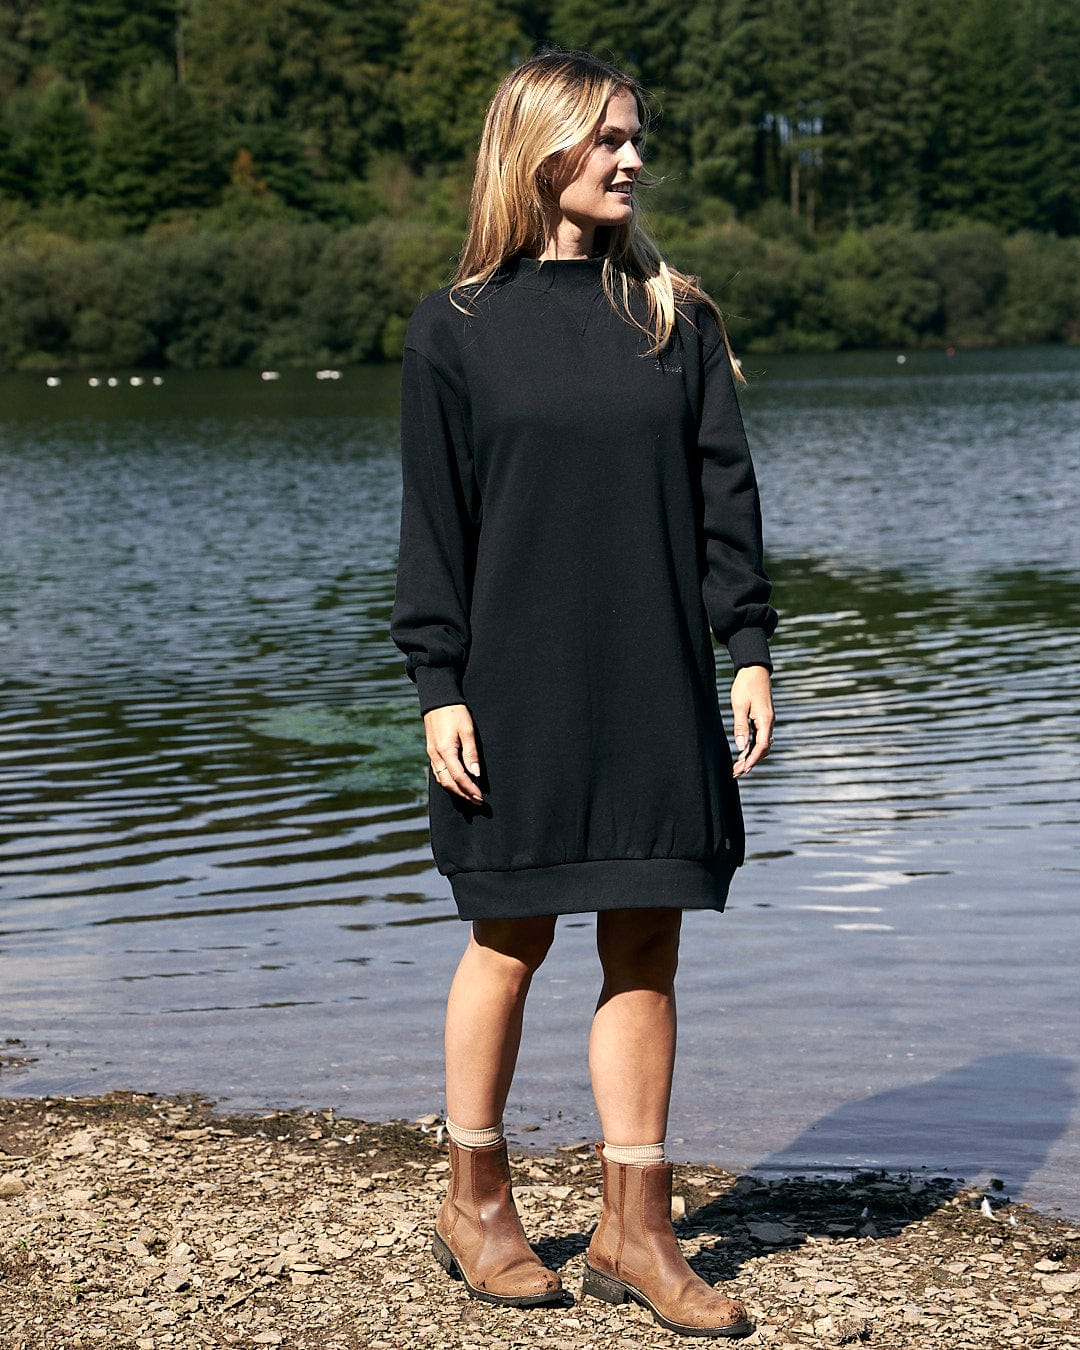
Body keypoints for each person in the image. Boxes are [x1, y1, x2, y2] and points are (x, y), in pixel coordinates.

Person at [389, 50, 776, 1339]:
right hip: (516, 685)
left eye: (636, 138)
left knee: (647, 935)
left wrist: (751, 648)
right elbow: (435, 525)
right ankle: (476, 1199)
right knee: (510, 932)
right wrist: (438, 681)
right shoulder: (454, 327)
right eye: (609, 138)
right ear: (541, 150)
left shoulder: (675, 316)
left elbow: (728, 499)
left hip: (656, 675)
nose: (632, 159)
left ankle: (637, 1227)